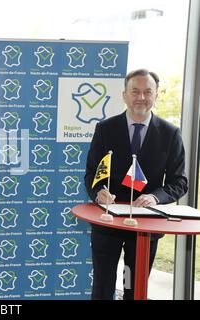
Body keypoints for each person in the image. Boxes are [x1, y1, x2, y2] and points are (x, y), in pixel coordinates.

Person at [84, 69, 188, 300]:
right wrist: (98, 192)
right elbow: (92, 173)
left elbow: (179, 182)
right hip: (107, 223)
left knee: (134, 288)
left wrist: (156, 197)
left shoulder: (171, 134)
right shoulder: (105, 129)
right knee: (102, 286)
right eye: (135, 92)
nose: (141, 97)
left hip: (144, 227)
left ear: (156, 95)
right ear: (124, 95)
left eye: (147, 92)